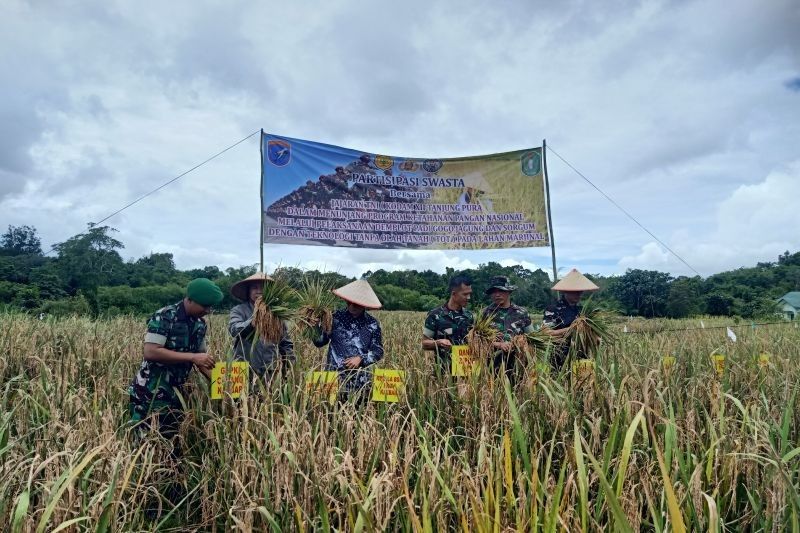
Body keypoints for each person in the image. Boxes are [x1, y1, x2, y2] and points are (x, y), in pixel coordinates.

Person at [129, 278, 223, 441]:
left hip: (177, 394)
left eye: (210, 307)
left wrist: (224, 387)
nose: (207, 310)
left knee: (171, 440)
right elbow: (151, 352)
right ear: (190, 300)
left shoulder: (200, 324)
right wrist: (192, 357)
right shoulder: (164, 316)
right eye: (204, 306)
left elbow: (202, 361)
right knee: (146, 443)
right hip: (150, 393)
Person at [314, 279, 384, 404]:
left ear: (364, 304)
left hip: (360, 381)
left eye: (356, 304)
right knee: (330, 417)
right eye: (349, 303)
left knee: (358, 416)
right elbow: (320, 342)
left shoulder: (372, 324)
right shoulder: (334, 317)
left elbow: (378, 351)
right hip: (334, 377)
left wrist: (361, 359)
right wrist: (314, 327)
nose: (351, 306)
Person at [228, 272, 295, 392]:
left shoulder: (276, 313)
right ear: (249, 291)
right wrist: (255, 318)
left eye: (263, 288)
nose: (258, 291)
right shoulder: (239, 310)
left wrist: (290, 367)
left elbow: (286, 343)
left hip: (269, 369)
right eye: (254, 287)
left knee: (268, 403)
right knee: (238, 404)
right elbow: (235, 330)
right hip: (241, 367)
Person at [542, 268, 600, 370]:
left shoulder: (583, 311)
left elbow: (589, 333)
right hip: (560, 358)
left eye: (579, 291)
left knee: (584, 384)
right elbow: (546, 333)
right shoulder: (553, 309)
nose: (578, 294)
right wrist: (571, 329)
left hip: (582, 356)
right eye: (574, 291)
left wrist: (595, 338)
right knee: (561, 384)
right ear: (565, 291)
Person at [482, 276, 535, 383]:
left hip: (518, 365)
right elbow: (478, 339)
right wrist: (498, 344)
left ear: (509, 292)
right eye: (494, 291)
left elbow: (533, 337)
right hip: (492, 365)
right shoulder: (485, 313)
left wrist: (519, 342)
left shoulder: (522, 313)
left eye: (501, 291)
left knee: (518, 393)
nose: (497, 294)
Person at [421, 274, 474, 375]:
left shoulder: (469, 316)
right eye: (465, 294)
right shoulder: (435, 315)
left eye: (470, 294)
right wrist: (439, 342)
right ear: (454, 294)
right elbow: (424, 343)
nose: (469, 297)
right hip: (443, 374)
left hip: (466, 373)